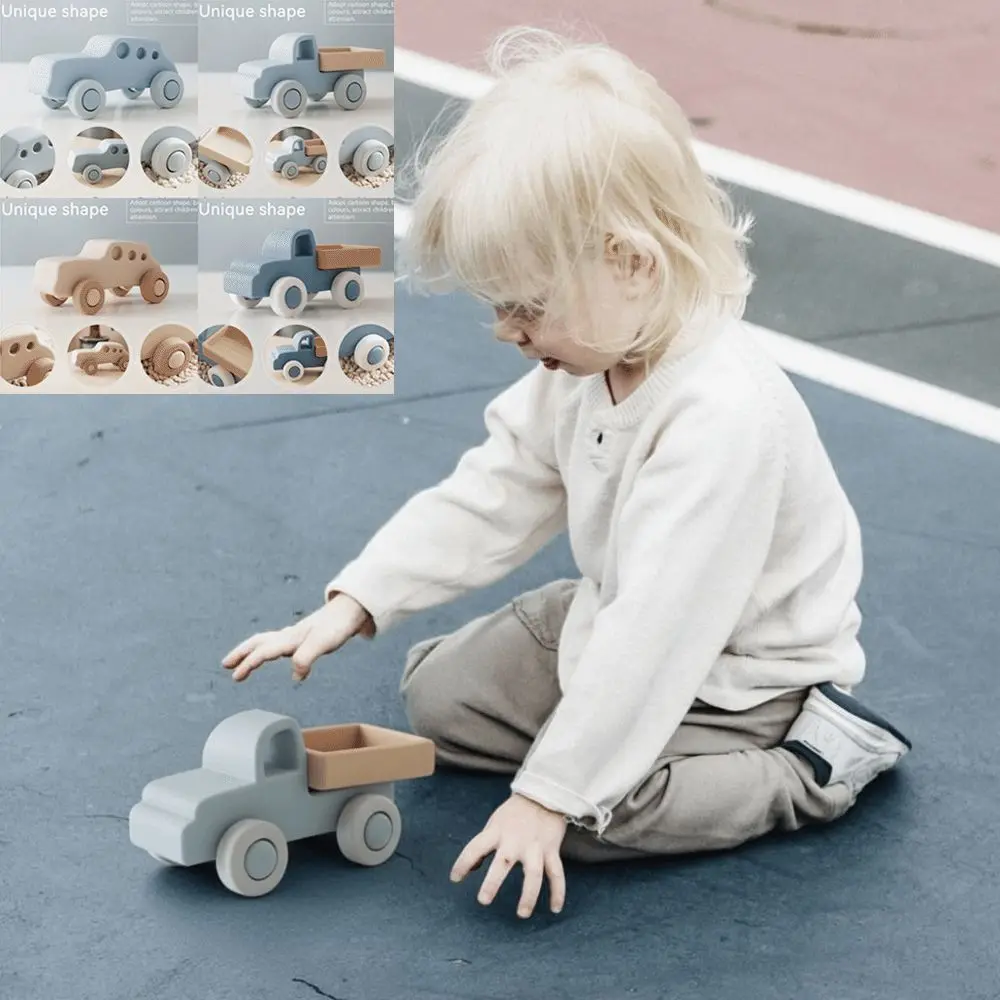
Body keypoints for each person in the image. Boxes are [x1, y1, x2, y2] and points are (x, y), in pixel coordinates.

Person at [223, 26, 911, 920]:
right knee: (436, 696)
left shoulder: (724, 417)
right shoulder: (590, 357)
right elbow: (497, 487)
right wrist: (357, 600)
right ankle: (587, 746)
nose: (508, 331)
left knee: (595, 815)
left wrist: (548, 797)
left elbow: (661, 630)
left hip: (739, 673)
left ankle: (808, 767)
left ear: (630, 263)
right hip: (618, 611)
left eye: (526, 306)